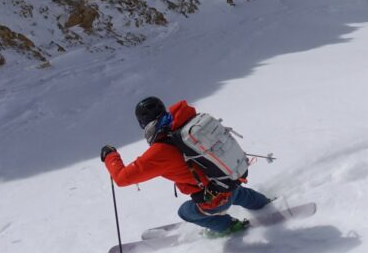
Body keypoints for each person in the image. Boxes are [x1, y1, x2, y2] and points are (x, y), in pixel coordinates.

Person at [101, 97, 271, 236]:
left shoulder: (159, 152)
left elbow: (122, 178)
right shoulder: (189, 124)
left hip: (215, 198)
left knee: (185, 212)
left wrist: (110, 155)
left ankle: (229, 226)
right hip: (229, 179)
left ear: (143, 124)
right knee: (236, 193)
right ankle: (265, 205)